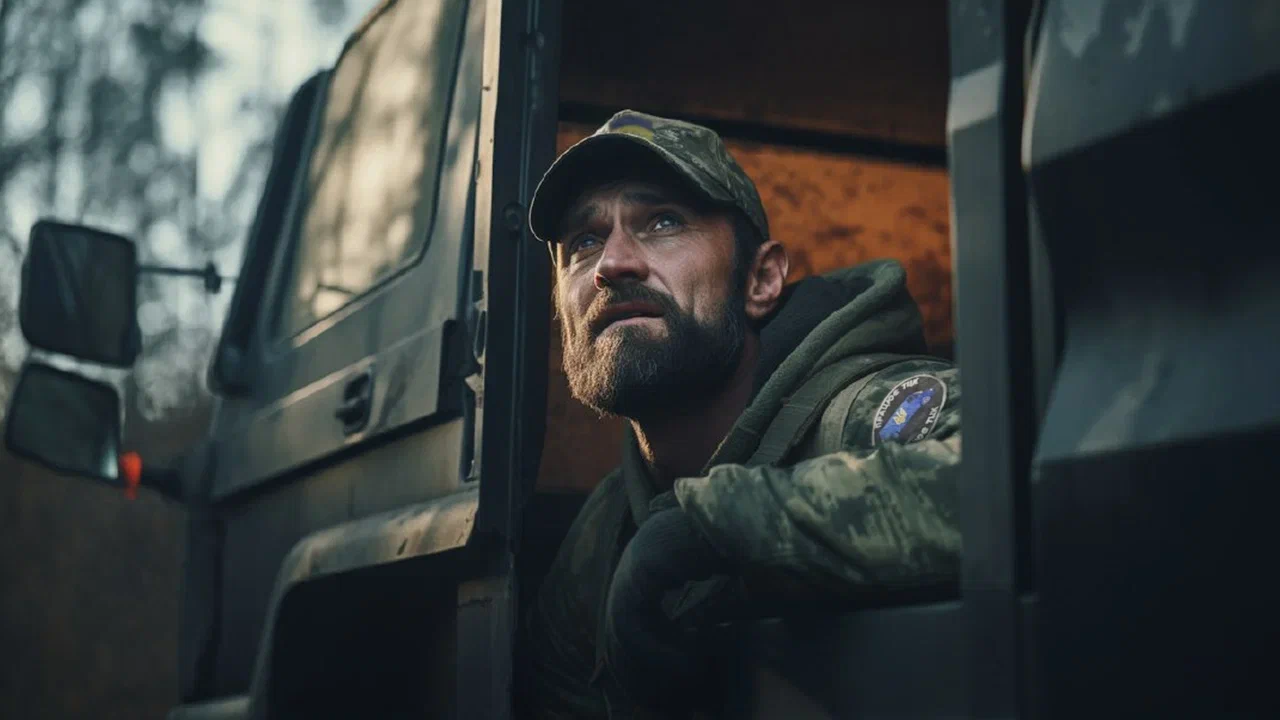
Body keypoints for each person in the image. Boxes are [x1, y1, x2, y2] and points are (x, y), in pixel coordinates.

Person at [519, 110, 963, 719]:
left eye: (663, 222)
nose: (611, 264)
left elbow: (1009, 474)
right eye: (583, 242)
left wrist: (704, 530)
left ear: (761, 280)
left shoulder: (859, 413)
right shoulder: (601, 537)